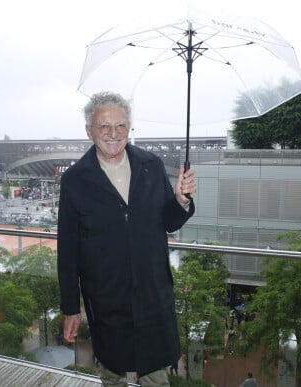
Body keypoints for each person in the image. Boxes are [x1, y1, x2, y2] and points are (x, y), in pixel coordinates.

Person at [57, 91, 197, 386]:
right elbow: (68, 252)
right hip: (107, 299)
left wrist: (181, 199)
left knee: (156, 377)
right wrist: (71, 308)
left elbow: (169, 222)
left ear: (129, 128)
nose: (113, 134)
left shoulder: (151, 166)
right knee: (113, 374)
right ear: (89, 131)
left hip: (152, 296)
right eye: (104, 126)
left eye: (120, 125)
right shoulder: (75, 181)